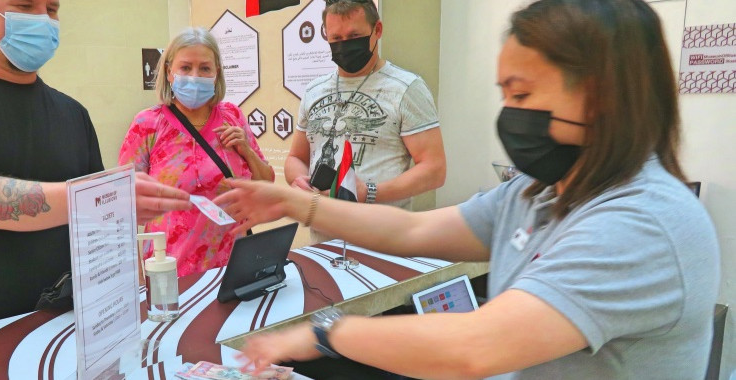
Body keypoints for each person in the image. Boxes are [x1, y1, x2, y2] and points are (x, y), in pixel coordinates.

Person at [217, 0, 720, 378]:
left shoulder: (643, 222)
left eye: (522, 93)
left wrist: (327, 332)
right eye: (505, 94)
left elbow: (471, 347)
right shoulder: (538, 190)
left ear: (602, 94)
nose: (511, 114)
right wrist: (295, 201)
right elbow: (413, 231)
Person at [0, 0, 190, 334]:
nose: (42, 20)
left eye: (51, 10)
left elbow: (100, 228)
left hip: (68, 319)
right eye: (25, 6)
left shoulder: (72, 114)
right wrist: (104, 195)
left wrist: (125, 290)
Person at [119, 28, 274, 277]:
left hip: (232, 263)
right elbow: (124, 202)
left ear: (216, 73)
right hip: (169, 268)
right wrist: (135, 277)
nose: (195, 76)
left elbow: (267, 182)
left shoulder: (232, 117)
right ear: (169, 72)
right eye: (185, 67)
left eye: (204, 68)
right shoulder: (148, 124)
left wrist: (246, 149)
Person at [285, 0, 445, 231]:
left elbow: (435, 170)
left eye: (354, 36)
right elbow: (296, 158)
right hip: (325, 237)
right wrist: (299, 181)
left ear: (377, 30)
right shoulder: (314, 91)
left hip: (384, 238)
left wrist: (368, 192)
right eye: (336, 39)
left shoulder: (406, 88)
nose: (344, 45)